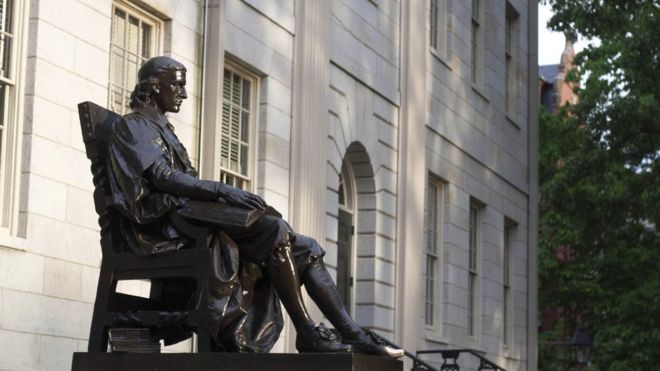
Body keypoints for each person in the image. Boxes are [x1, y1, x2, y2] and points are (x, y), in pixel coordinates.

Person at [107, 56, 403, 357]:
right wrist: (223, 191)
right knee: (274, 229)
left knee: (306, 247)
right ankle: (308, 333)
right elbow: (162, 177)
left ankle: (351, 332)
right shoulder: (134, 125)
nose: (183, 93)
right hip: (163, 230)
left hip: (187, 218)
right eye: (178, 86)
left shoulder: (161, 128)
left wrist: (223, 195)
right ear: (155, 88)